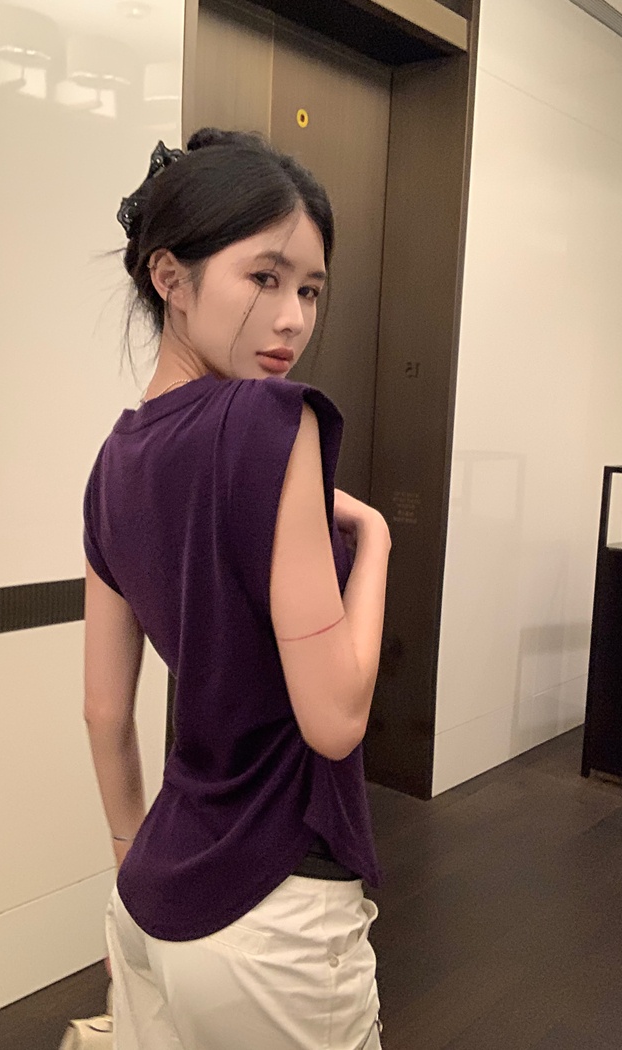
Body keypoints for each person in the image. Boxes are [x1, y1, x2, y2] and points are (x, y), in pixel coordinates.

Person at [82, 128, 391, 1050]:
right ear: (170, 278)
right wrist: (376, 540)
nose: (292, 318)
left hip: (152, 893)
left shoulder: (114, 462)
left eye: (311, 290)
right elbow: (334, 719)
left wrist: (129, 862)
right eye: (264, 278)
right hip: (275, 913)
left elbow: (104, 713)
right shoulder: (267, 419)